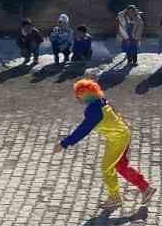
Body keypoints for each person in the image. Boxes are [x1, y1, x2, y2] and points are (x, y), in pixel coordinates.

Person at [57, 79, 155, 212]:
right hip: (119, 136)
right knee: (120, 166)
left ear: (86, 94)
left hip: (118, 139)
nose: (77, 97)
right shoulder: (100, 101)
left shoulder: (93, 110)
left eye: (78, 94)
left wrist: (64, 143)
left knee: (106, 168)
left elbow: (83, 129)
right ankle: (144, 188)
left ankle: (116, 198)